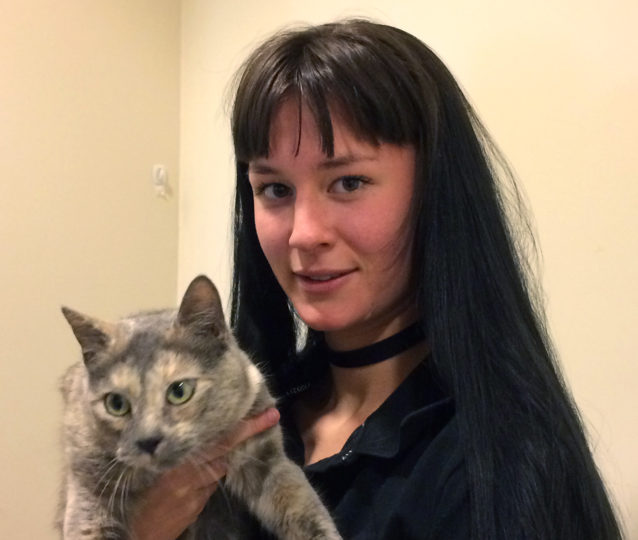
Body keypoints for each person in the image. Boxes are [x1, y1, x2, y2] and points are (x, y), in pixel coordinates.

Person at [133, 19, 623, 539]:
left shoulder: (495, 468)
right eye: (275, 189)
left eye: (348, 182)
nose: (304, 233)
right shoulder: (228, 433)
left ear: (434, 190)